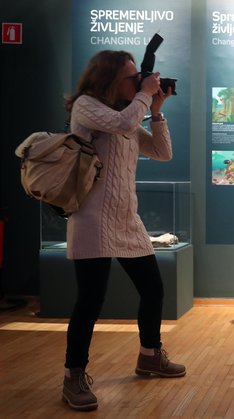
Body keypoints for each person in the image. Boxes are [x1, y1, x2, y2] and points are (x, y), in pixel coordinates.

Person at [61, 50, 185, 412]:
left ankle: (149, 355)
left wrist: (157, 110)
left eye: (140, 76)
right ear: (110, 78)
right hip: (91, 219)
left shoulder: (129, 116)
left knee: (153, 288)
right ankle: (73, 375)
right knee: (90, 301)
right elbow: (122, 124)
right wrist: (145, 97)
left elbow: (162, 153)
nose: (140, 81)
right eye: (134, 77)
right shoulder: (87, 106)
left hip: (126, 219)